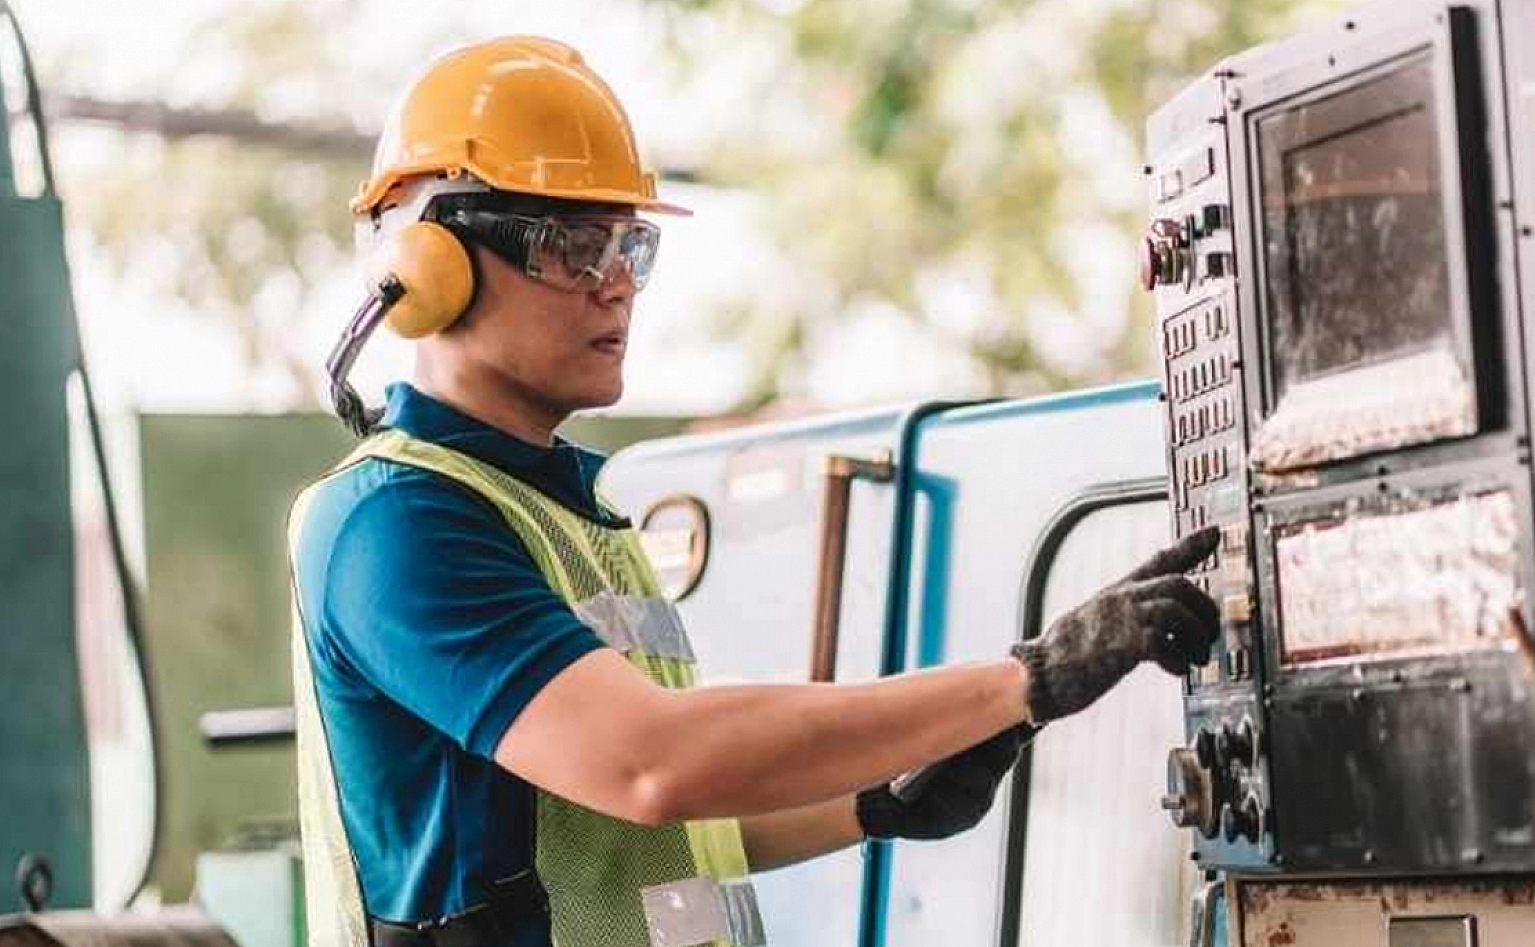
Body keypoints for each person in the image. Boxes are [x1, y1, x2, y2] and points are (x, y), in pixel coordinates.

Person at [288, 35, 1220, 947]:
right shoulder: (396, 521)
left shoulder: (573, 506)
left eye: (629, 247)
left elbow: (643, 839)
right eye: (572, 245)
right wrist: (1025, 678)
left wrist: (870, 803)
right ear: (428, 267)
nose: (618, 285)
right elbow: (652, 762)